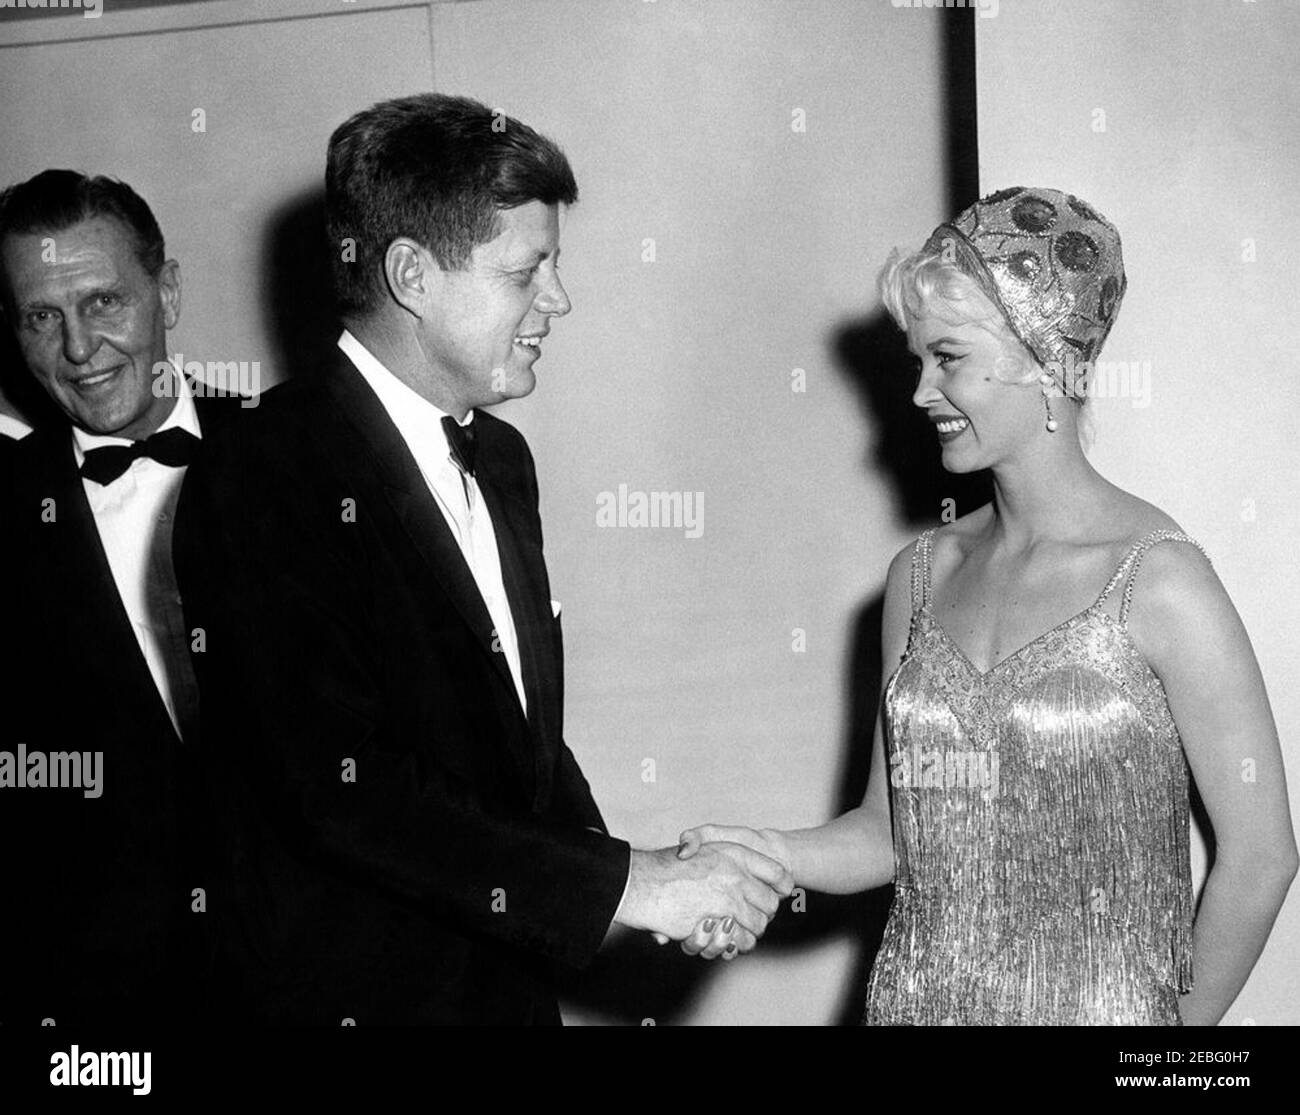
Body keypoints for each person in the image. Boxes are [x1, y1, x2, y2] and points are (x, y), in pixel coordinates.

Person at [173, 93, 792, 1025]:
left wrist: (637, 874)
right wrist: (628, 885)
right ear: (414, 274)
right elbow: (342, 783)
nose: (559, 299)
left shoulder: (501, 459)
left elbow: (511, 743)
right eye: (526, 272)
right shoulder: (263, 465)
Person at [677, 187, 1298, 1024]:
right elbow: (893, 832)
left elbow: (1262, 858)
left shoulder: (1159, 581)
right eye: (918, 359)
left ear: (1045, 359)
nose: (920, 390)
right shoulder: (919, 575)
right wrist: (767, 854)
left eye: (949, 357)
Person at [0, 170, 243, 1023]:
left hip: (314, 976)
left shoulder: (300, 457)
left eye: (104, 301)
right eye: (42, 317)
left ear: (166, 291)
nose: (79, 348)